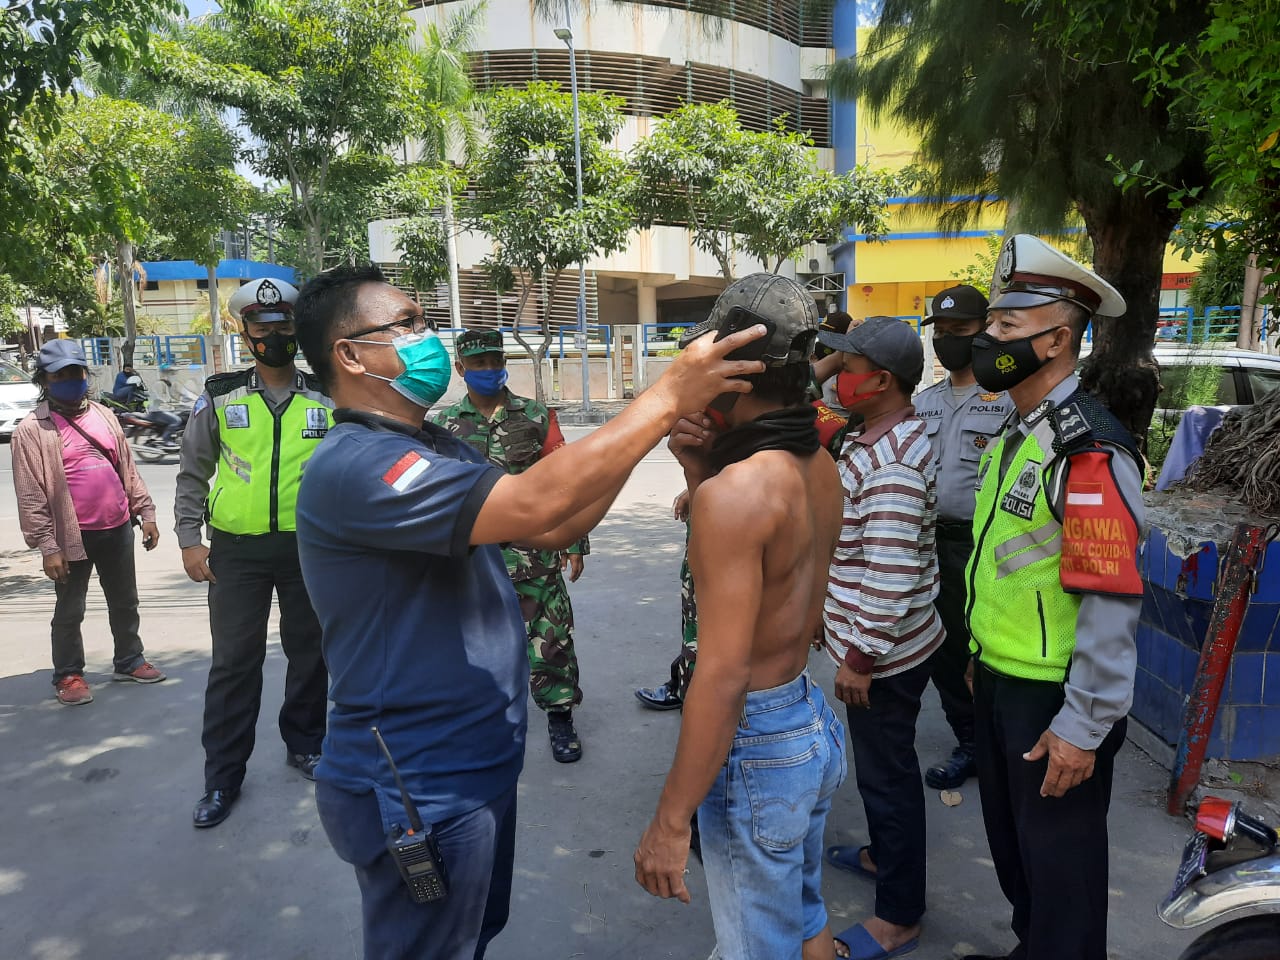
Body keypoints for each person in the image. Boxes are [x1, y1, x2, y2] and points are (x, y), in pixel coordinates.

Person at [290, 264, 767, 960]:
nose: (432, 339)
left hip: (472, 763)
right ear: (352, 355)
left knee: (471, 934)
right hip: (420, 781)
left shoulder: (430, 445)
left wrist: (645, 446)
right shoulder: (361, 464)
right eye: (410, 324)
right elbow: (535, 503)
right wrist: (664, 397)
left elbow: (550, 528)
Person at [633, 274, 847, 960]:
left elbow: (723, 674)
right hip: (807, 722)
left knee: (758, 947)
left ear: (735, 371)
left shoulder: (741, 493)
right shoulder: (816, 465)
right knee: (803, 913)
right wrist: (700, 472)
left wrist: (670, 820)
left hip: (759, 742)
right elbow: (775, 588)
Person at [961, 235, 1145, 960]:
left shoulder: (1087, 450)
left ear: (1056, 338)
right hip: (1005, 680)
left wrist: (1084, 723)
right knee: (1017, 859)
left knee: (1061, 875)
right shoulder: (1017, 430)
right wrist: (981, 655)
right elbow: (1006, 566)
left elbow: (1110, 599)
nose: (986, 340)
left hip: (1056, 700)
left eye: (1005, 328)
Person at [174, 277, 333, 829]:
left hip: (307, 548)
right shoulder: (220, 395)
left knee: (311, 655)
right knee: (233, 664)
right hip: (235, 553)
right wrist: (190, 539)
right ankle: (222, 777)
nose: (273, 336)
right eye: (262, 328)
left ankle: (305, 743)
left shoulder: (324, 396)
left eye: (283, 326)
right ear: (245, 333)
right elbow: (193, 470)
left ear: (297, 330)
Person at [817, 316, 944, 960]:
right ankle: (881, 856)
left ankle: (899, 915)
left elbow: (890, 576)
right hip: (891, 640)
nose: (837, 375)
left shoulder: (891, 464)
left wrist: (860, 657)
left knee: (887, 777)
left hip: (885, 656)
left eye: (847, 367)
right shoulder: (878, 434)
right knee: (882, 772)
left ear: (882, 380)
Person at [433, 329, 591, 763]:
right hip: (473, 557)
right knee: (473, 641)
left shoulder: (536, 416)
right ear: (461, 369)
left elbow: (565, 483)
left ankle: (560, 715)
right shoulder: (443, 427)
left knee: (551, 637)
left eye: (494, 361)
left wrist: (574, 540)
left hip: (534, 552)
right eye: (478, 364)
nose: (489, 370)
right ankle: (482, 723)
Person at [11, 340, 165, 705]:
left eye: (76, 372)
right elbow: (31, 496)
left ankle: (129, 659)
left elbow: (127, 467)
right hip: (71, 536)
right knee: (70, 610)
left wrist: (146, 512)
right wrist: (48, 546)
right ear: (45, 380)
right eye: (60, 375)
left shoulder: (103, 414)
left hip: (117, 527)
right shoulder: (31, 430)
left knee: (125, 600)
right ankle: (68, 674)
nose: (70, 380)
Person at [912, 286, 1014, 790]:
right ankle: (971, 741)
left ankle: (1000, 743)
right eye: (942, 333)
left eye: (962, 332)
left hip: (984, 547)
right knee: (943, 650)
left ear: (985, 333)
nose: (948, 342)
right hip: (928, 542)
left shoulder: (1011, 403)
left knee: (987, 649)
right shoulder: (923, 403)